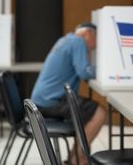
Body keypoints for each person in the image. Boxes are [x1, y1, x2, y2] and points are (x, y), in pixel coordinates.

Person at [31, 22, 106, 164]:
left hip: (40, 101)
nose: (97, 45)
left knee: (86, 114)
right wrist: (107, 70)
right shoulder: (78, 42)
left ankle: (75, 157)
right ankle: (79, 159)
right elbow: (84, 72)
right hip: (51, 101)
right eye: (97, 39)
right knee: (99, 113)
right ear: (88, 34)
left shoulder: (65, 40)